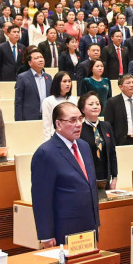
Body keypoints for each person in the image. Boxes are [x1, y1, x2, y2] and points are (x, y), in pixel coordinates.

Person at [31, 102, 100, 247]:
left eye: (80, 119)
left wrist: (96, 222)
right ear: (58, 124)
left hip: (88, 225)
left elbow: (90, 186)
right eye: (72, 120)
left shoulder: (84, 146)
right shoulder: (46, 153)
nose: (78, 124)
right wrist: (46, 235)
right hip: (64, 228)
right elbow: (41, 199)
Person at [78, 92, 118, 186]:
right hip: (87, 178)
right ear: (82, 109)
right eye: (91, 104)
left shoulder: (106, 126)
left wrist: (114, 177)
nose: (95, 106)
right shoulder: (79, 128)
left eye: (97, 104)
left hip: (105, 177)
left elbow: (112, 153)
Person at [106, 74, 133, 146]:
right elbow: (108, 124)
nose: (132, 85)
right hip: (122, 141)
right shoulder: (113, 102)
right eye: (128, 83)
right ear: (120, 87)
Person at [14, 49, 52, 121]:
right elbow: (18, 102)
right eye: (36, 58)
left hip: (47, 117)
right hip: (29, 118)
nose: (40, 60)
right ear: (29, 63)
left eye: (41, 57)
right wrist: (18, 121)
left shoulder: (48, 77)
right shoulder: (22, 77)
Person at [42, 72, 78, 140]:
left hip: (72, 136)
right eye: (64, 81)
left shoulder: (74, 100)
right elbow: (47, 125)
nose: (68, 84)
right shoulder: (48, 101)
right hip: (56, 137)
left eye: (69, 81)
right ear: (57, 83)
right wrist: (47, 142)